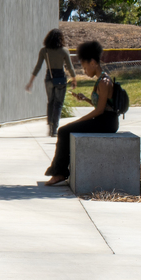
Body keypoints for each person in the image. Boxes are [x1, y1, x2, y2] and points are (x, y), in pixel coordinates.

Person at [42, 39, 123, 187]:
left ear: (93, 63)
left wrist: (78, 121)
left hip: (106, 123)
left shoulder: (104, 82)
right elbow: (102, 106)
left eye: (85, 67)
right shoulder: (101, 80)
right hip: (104, 119)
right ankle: (59, 171)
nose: (85, 71)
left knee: (64, 130)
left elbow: (99, 111)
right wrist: (86, 99)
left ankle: (59, 172)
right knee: (65, 130)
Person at [25, 28, 75, 137]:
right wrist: (74, 79)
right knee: (58, 103)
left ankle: (50, 126)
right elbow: (70, 67)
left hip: (49, 78)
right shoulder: (64, 50)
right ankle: (54, 128)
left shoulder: (44, 51)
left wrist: (31, 82)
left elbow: (38, 67)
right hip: (61, 78)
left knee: (51, 102)